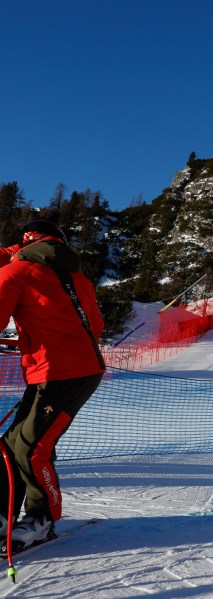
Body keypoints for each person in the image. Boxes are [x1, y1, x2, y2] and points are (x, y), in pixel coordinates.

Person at [0, 221, 105, 552]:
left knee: (31, 448)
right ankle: (6, 515)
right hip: (71, 369)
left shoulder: (14, 274)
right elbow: (96, 327)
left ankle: (41, 519)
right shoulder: (79, 279)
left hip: (60, 373)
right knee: (14, 442)